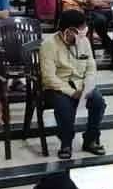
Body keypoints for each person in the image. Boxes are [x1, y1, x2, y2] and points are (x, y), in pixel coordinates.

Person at [39, 10, 106, 159]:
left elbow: (91, 65)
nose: (83, 32)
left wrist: (88, 84)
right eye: (80, 29)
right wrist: (71, 92)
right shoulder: (48, 45)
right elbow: (49, 78)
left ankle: (91, 139)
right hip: (57, 86)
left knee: (98, 102)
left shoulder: (84, 41)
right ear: (68, 30)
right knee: (64, 106)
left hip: (81, 84)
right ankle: (66, 143)